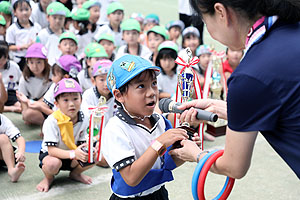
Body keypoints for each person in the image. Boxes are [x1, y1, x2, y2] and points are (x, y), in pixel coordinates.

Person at [169, 0, 300, 180]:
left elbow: (233, 167)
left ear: (221, 12)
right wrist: (229, 109)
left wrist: (195, 154)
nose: (211, 32)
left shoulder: (249, 75)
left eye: (206, 22)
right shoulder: (290, 27)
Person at [102, 55, 192, 199]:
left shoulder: (159, 121)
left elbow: (166, 163)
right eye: (141, 86)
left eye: (154, 83)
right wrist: (160, 143)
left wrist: (187, 152)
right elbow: (131, 178)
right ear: (119, 95)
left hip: (159, 194)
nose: (151, 92)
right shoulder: (115, 129)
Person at [36, 78, 93, 192]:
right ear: (56, 104)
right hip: (53, 155)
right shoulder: (52, 121)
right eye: (65, 100)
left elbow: (83, 142)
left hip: (73, 153)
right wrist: (74, 153)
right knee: (53, 164)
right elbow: (51, 150)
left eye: (75, 98)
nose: (71, 104)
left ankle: (75, 174)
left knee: (94, 154)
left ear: (81, 100)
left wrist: (87, 149)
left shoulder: (85, 118)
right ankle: (48, 177)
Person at [16, 43, 51, 126]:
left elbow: (51, 96)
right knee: (28, 114)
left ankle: (50, 123)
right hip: (32, 104)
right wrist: (25, 113)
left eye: (39, 62)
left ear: (46, 61)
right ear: (27, 63)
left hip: (49, 104)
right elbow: (22, 98)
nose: (35, 66)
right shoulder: (25, 78)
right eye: (31, 62)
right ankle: (46, 122)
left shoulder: (52, 75)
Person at [6, 0, 41, 71]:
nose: (24, 13)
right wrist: (23, 47)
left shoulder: (37, 27)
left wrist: (35, 44)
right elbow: (9, 47)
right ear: (15, 12)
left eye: (26, 9)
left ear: (31, 10)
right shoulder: (12, 29)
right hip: (19, 59)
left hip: (35, 58)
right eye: (21, 10)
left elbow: (41, 42)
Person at [37, 1, 67, 66]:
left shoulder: (67, 35)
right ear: (48, 17)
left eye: (60, 18)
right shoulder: (42, 34)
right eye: (54, 17)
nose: (57, 21)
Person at [0, 114, 26, 182]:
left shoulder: (2, 119)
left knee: (3, 138)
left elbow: (19, 138)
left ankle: (11, 170)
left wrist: (21, 152)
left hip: (1, 157)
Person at [0, 41, 22, 113]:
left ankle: (10, 107)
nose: (1, 62)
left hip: (10, 92)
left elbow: (21, 80)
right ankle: (10, 108)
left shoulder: (13, 66)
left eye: (3, 59)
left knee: (20, 106)